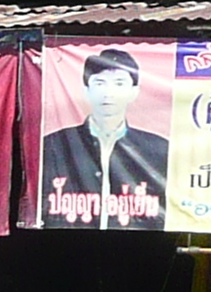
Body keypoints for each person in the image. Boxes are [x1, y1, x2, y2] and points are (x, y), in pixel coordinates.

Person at [39, 46, 169, 229]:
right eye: (100, 83)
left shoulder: (159, 148)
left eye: (119, 83)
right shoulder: (53, 144)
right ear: (86, 90)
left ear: (134, 92)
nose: (109, 93)